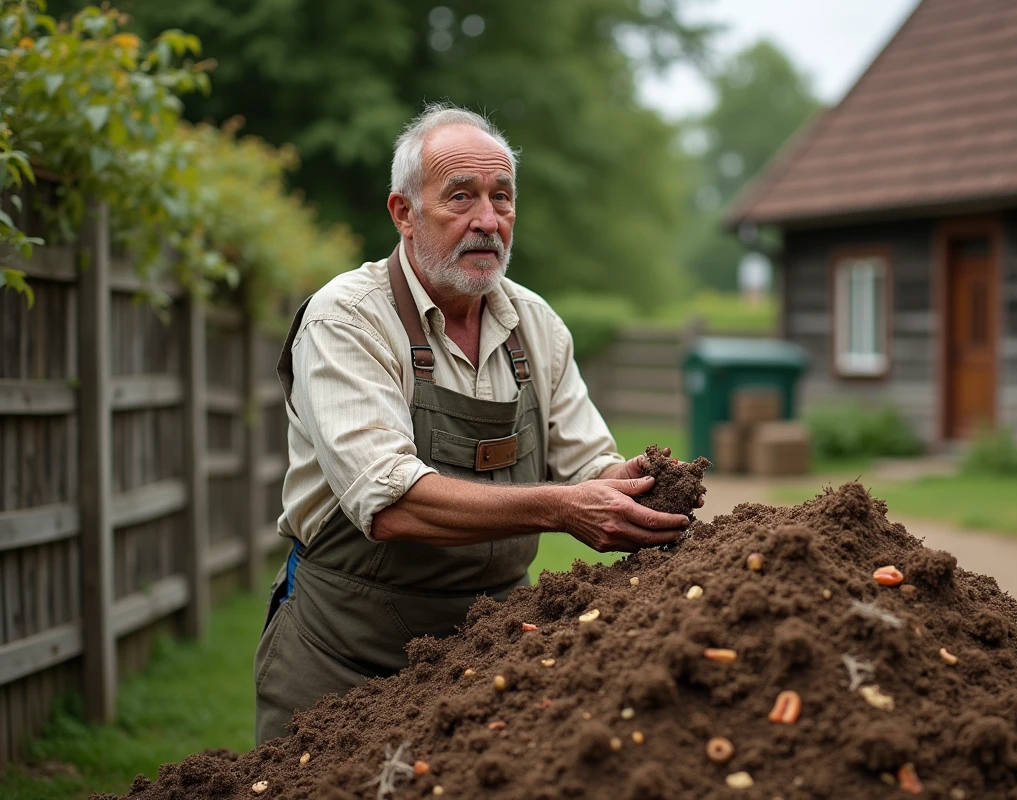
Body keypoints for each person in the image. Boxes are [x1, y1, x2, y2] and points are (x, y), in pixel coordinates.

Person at [254, 103, 699, 743]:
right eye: (461, 196)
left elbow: (587, 465)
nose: (488, 220)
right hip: (344, 659)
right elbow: (390, 502)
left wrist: (628, 484)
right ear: (403, 212)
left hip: (492, 655)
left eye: (502, 197)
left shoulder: (536, 323)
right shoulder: (345, 320)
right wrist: (562, 508)